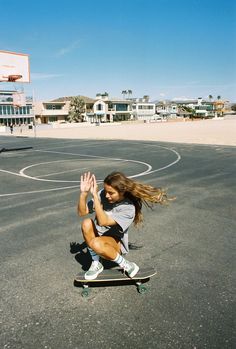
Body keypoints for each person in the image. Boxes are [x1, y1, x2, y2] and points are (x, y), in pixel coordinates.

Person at [77, 171, 168, 280]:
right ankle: (96, 263)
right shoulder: (103, 195)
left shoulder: (128, 208)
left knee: (95, 243)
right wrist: (84, 193)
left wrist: (95, 197)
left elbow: (103, 221)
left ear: (122, 192)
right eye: (105, 191)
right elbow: (82, 212)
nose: (106, 195)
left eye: (111, 193)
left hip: (115, 243)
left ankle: (126, 264)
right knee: (86, 223)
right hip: (99, 238)